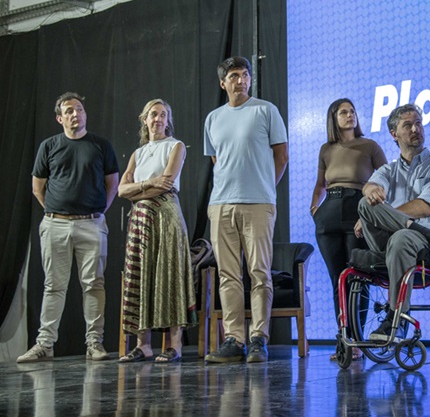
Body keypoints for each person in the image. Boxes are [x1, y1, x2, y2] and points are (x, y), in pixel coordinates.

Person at [18, 92, 119, 363]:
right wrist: (56, 212)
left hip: (92, 224)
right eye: (70, 110)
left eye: (80, 109)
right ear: (60, 118)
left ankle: (94, 343)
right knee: (54, 286)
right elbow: (37, 187)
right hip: (55, 225)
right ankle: (45, 345)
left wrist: (99, 212)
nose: (76, 114)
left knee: (94, 284)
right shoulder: (49, 146)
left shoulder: (101, 145)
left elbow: (113, 183)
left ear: (85, 114)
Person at [203, 56, 289, 363]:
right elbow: (217, 160)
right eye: (234, 76)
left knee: (259, 273)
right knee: (228, 275)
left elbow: (281, 156)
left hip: (259, 203)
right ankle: (234, 339)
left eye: (244, 75)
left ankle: (258, 339)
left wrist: (264, 187)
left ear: (250, 80)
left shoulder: (266, 110)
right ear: (222, 83)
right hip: (221, 205)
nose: (240, 80)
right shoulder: (212, 118)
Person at [357, 103, 430, 341]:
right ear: (394, 134)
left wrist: (383, 214)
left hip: (423, 245)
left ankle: (396, 318)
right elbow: (371, 187)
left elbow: (426, 207)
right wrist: (370, 191)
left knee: (401, 236)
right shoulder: (388, 170)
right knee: (364, 204)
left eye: (418, 123)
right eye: (408, 125)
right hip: (389, 241)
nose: (416, 129)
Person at [117, 99, 197, 363]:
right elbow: (120, 190)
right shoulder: (138, 154)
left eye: (163, 115)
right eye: (153, 114)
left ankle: (173, 345)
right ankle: (144, 345)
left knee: (168, 273)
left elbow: (168, 183)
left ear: (168, 120)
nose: (158, 119)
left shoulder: (175, 146)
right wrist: (150, 182)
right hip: (140, 220)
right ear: (145, 119)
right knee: (141, 274)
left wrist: (137, 190)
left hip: (166, 216)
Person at [310, 98, 387, 360]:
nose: (349, 116)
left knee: (358, 278)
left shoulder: (369, 145)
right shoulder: (326, 149)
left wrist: (370, 213)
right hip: (329, 212)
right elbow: (320, 184)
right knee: (338, 280)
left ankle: (357, 341)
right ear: (333, 117)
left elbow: (386, 178)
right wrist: (314, 209)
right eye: (343, 112)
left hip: (359, 210)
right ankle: (343, 340)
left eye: (352, 111)